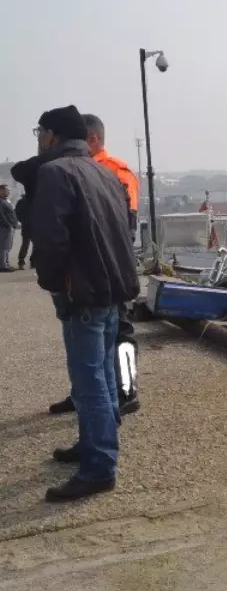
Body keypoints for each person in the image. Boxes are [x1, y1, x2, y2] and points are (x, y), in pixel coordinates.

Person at [31, 105, 140, 502]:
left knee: (89, 378)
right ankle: (94, 443)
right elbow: (124, 232)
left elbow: (51, 239)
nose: (38, 139)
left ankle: (98, 466)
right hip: (110, 289)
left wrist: (56, 283)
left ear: (53, 135)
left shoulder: (55, 173)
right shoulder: (105, 172)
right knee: (105, 376)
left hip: (83, 292)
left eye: (39, 132)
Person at [47, 114, 142, 416]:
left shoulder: (116, 172)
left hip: (111, 267)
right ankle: (81, 395)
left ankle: (126, 391)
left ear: (93, 139)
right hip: (88, 272)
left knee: (121, 333)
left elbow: (125, 226)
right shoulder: (77, 169)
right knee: (84, 345)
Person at [0, 184, 17, 271]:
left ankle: (7, 264)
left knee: (7, 247)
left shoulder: (6, 201)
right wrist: (8, 224)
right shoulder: (1, 202)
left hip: (9, 227)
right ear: (1, 191)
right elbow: (1, 215)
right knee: (3, 247)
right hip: (4, 227)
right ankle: (3, 266)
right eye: (6, 190)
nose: (8, 192)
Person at [15, 191, 32, 270]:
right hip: (28, 225)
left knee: (27, 244)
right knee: (26, 244)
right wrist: (23, 220)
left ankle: (30, 262)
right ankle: (21, 261)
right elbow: (17, 213)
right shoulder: (22, 201)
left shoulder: (36, 200)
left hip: (32, 225)